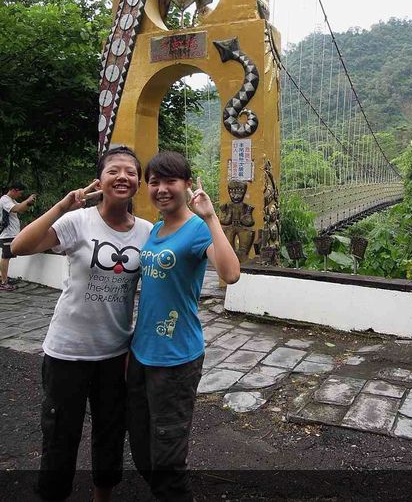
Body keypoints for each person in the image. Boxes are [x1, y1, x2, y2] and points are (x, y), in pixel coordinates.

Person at [11, 147, 151, 502]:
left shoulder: (147, 232)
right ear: (100, 180)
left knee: (110, 431)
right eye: (113, 171)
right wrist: (62, 206)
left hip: (115, 351)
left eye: (131, 172)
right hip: (67, 351)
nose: (123, 177)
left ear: (138, 182)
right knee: (61, 433)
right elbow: (19, 246)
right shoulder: (79, 221)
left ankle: (102, 496)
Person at [128, 151, 240, 501]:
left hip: (176, 358)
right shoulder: (158, 228)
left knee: (167, 455)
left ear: (187, 185)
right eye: (154, 182)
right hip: (141, 352)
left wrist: (211, 219)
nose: (161, 189)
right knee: (142, 445)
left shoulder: (196, 229)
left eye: (170, 181)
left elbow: (231, 273)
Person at [1, 180, 36, 291]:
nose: (20, 194)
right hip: (6, 233)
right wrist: (27, 200)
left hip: (11, 233)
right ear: (14, 190)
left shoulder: (12, 200)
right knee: (5, 257)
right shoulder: (4, 199)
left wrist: (29, 203)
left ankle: (4, 278)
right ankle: (3, 282)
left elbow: (21, 209)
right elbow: (17, 208)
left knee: (7, 257)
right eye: (19, 192)